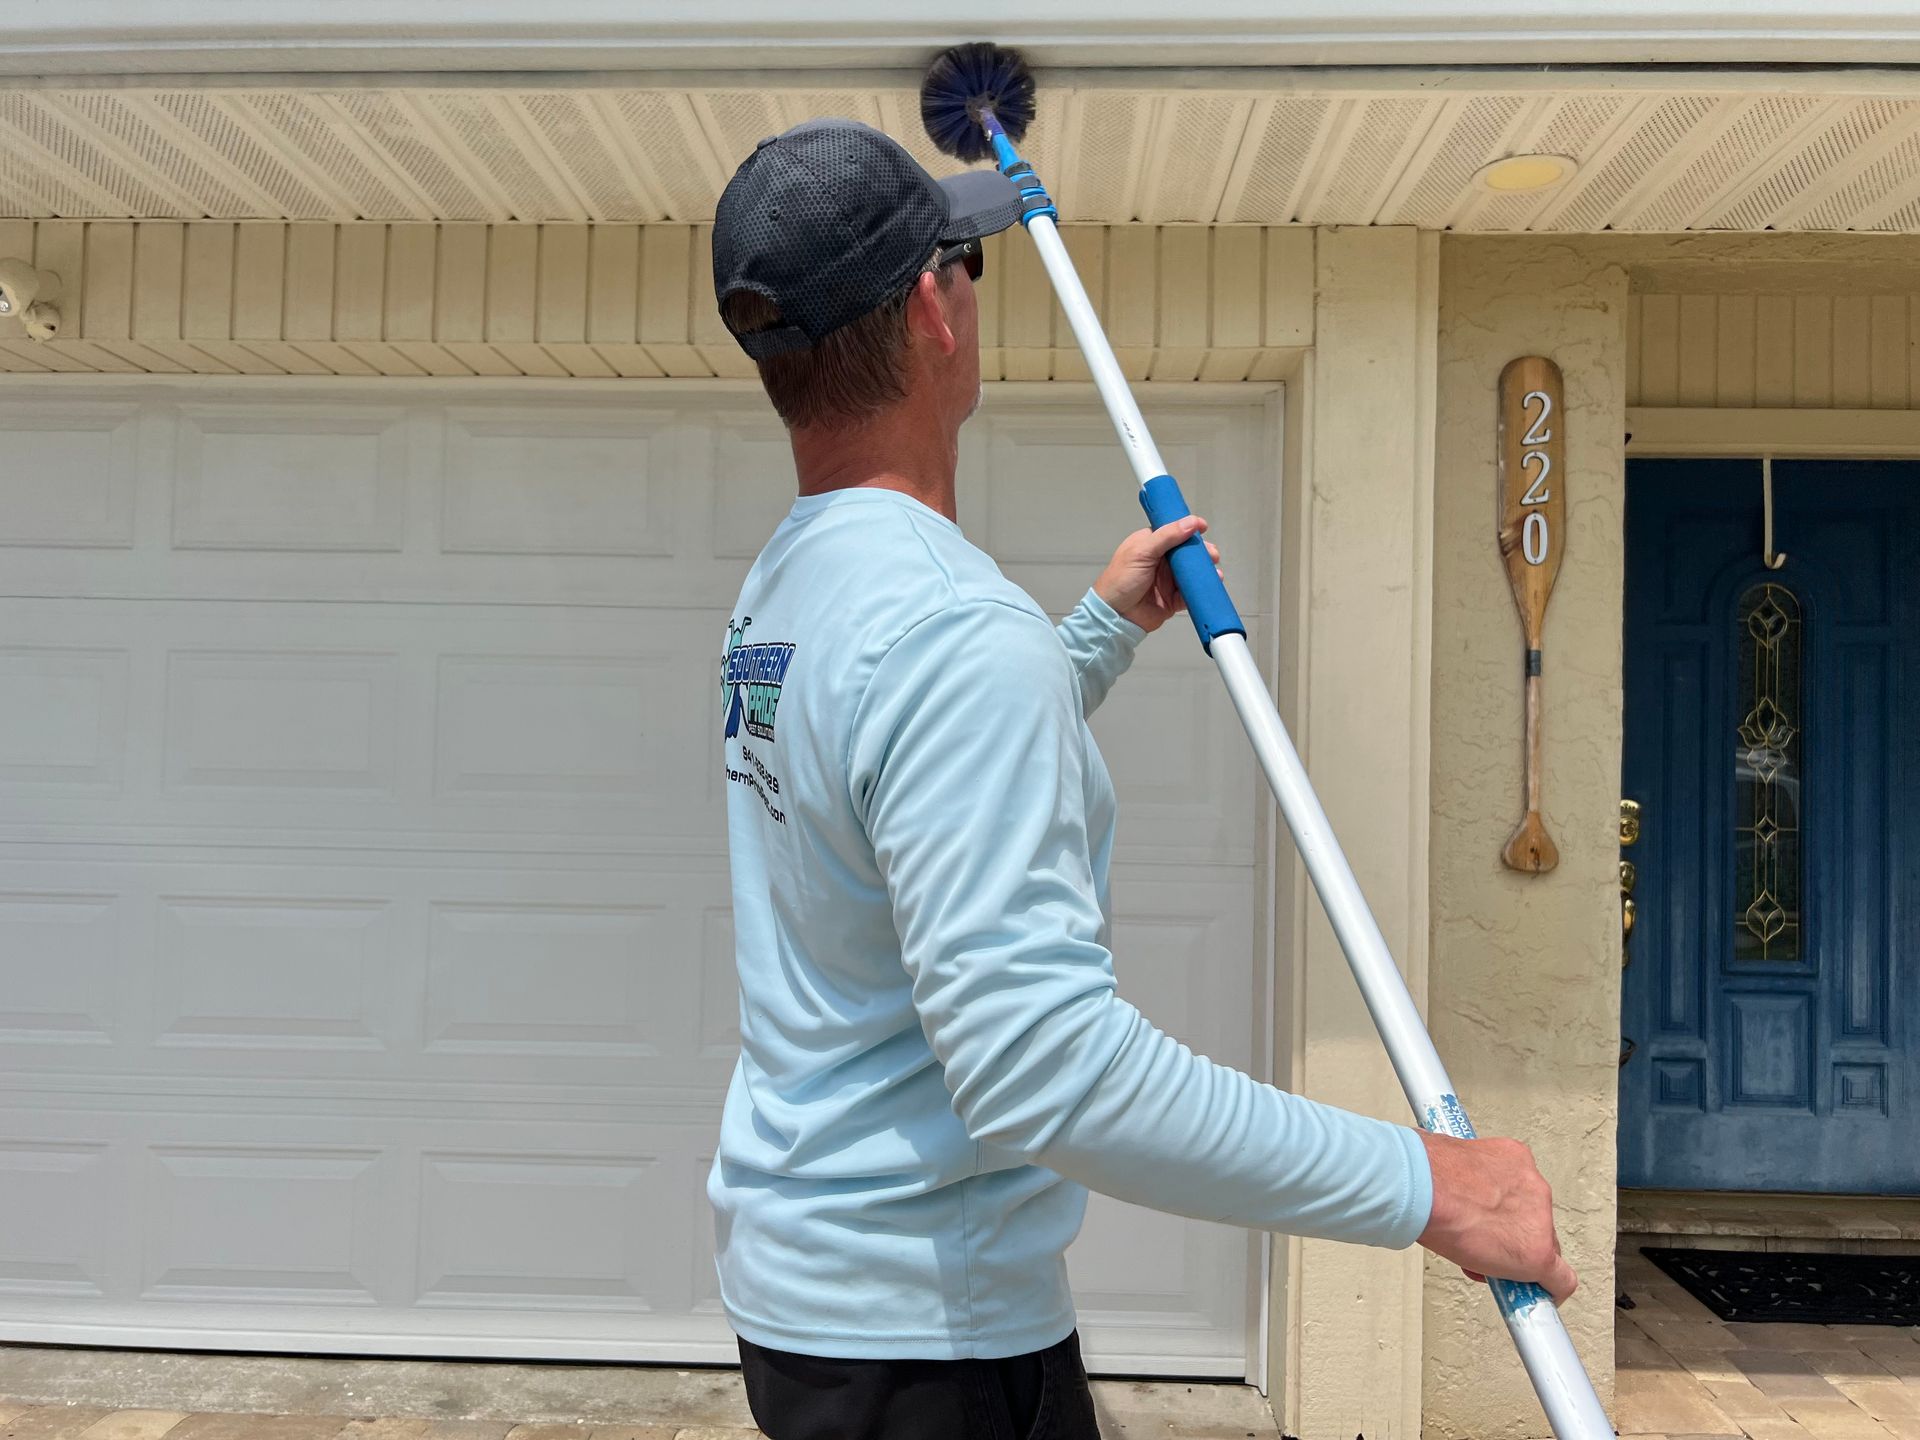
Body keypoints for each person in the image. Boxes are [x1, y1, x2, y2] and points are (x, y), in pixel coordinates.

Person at [706, 118, 1577, 1440]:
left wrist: (1098, 634)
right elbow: (1043, 1069)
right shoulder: (946, 629)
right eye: (968, 270)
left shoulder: (789, 585)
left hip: (809, 1301)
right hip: (927, 1348)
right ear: (936, 313)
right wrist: (1433, 1188)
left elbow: (887, 799)